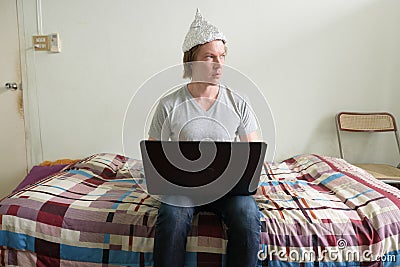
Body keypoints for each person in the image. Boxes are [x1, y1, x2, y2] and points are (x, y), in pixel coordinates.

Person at [148, 9, 261, 267]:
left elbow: (252, 154)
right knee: (172, 215)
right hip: (183, 189)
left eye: (222, 56)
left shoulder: (238, 102)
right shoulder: (169, 104)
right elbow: (154, 158)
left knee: (247, 214)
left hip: (230, 188)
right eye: (210, 57)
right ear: (191, 62)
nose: (219, 64)